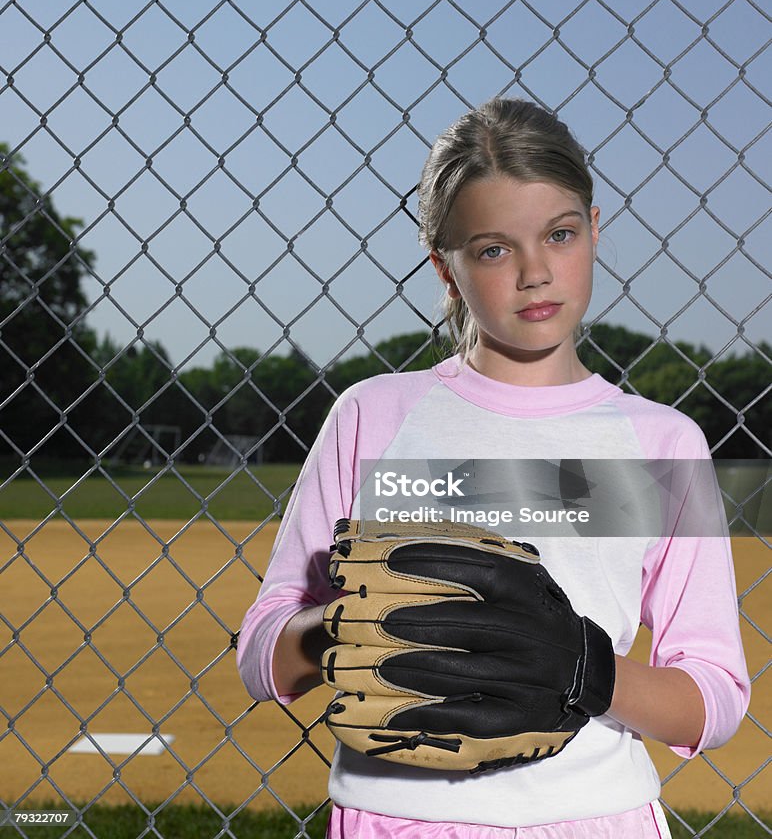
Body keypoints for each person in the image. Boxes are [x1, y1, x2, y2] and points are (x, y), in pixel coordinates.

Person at [237, 98, 750, 837]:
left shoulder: (661, 443)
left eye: (560, 234)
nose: (536, 272)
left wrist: (586, 670)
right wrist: (350, 630)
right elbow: (261, 655)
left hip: (591, 818)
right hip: (394, 817)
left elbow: (716, 697)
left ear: (595, 231)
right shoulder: (372, 416)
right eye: (492, 249)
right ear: (446, 269)